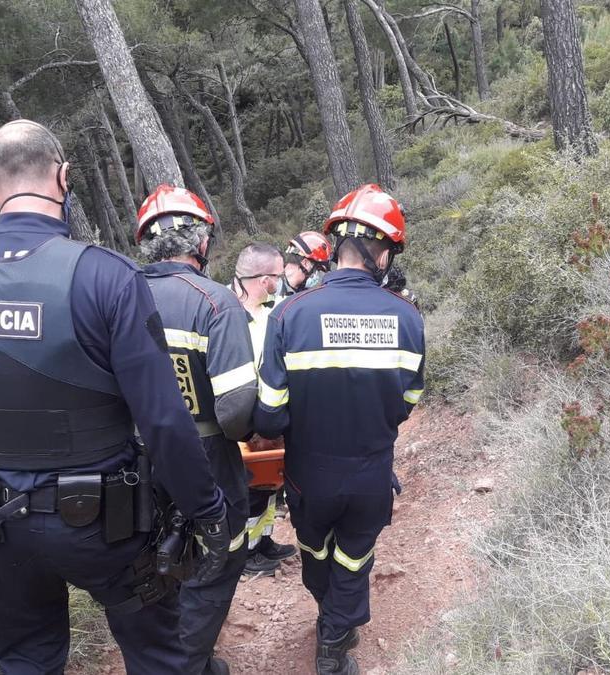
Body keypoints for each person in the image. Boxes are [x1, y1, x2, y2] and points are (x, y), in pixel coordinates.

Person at [0, 120, 232, 675]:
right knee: (160, 655)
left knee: (27, 661)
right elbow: (162, 419)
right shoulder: (105, 277)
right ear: (64, 177)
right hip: (106, 526)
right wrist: (207, 510)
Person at [254, 185, 425, 675]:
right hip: (371, 467)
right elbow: (408, 401)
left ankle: (331, 621)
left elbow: (268, 414)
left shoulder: (289, 313)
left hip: (309, 472)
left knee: (316, 550)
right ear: (385, 253)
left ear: (333, 248)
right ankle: (334, 640)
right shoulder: (408, 318)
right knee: (355, 555)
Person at [136, 184, 257, 675]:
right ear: (202, 243)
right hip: (205, 456)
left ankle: (186, 659)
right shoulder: (214, 302)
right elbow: (235, 409)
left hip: (132, 460)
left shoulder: (116, 293)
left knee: (153, 560)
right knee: (215, 558)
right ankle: (186, 662)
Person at [231, 243, 297, 576]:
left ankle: (264, 540)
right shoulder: (225, 313)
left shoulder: (273, 310)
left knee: (271, 483)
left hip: (271, 413)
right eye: (278, 274)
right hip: (241, 418)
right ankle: (246, 552)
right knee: (250, 488)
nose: (282, 279)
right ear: (263, 279)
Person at [277, 231, 333, 298]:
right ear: (305, 263)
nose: (317, 275)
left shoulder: (292, 291)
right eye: (318, 269)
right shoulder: (274, 294)